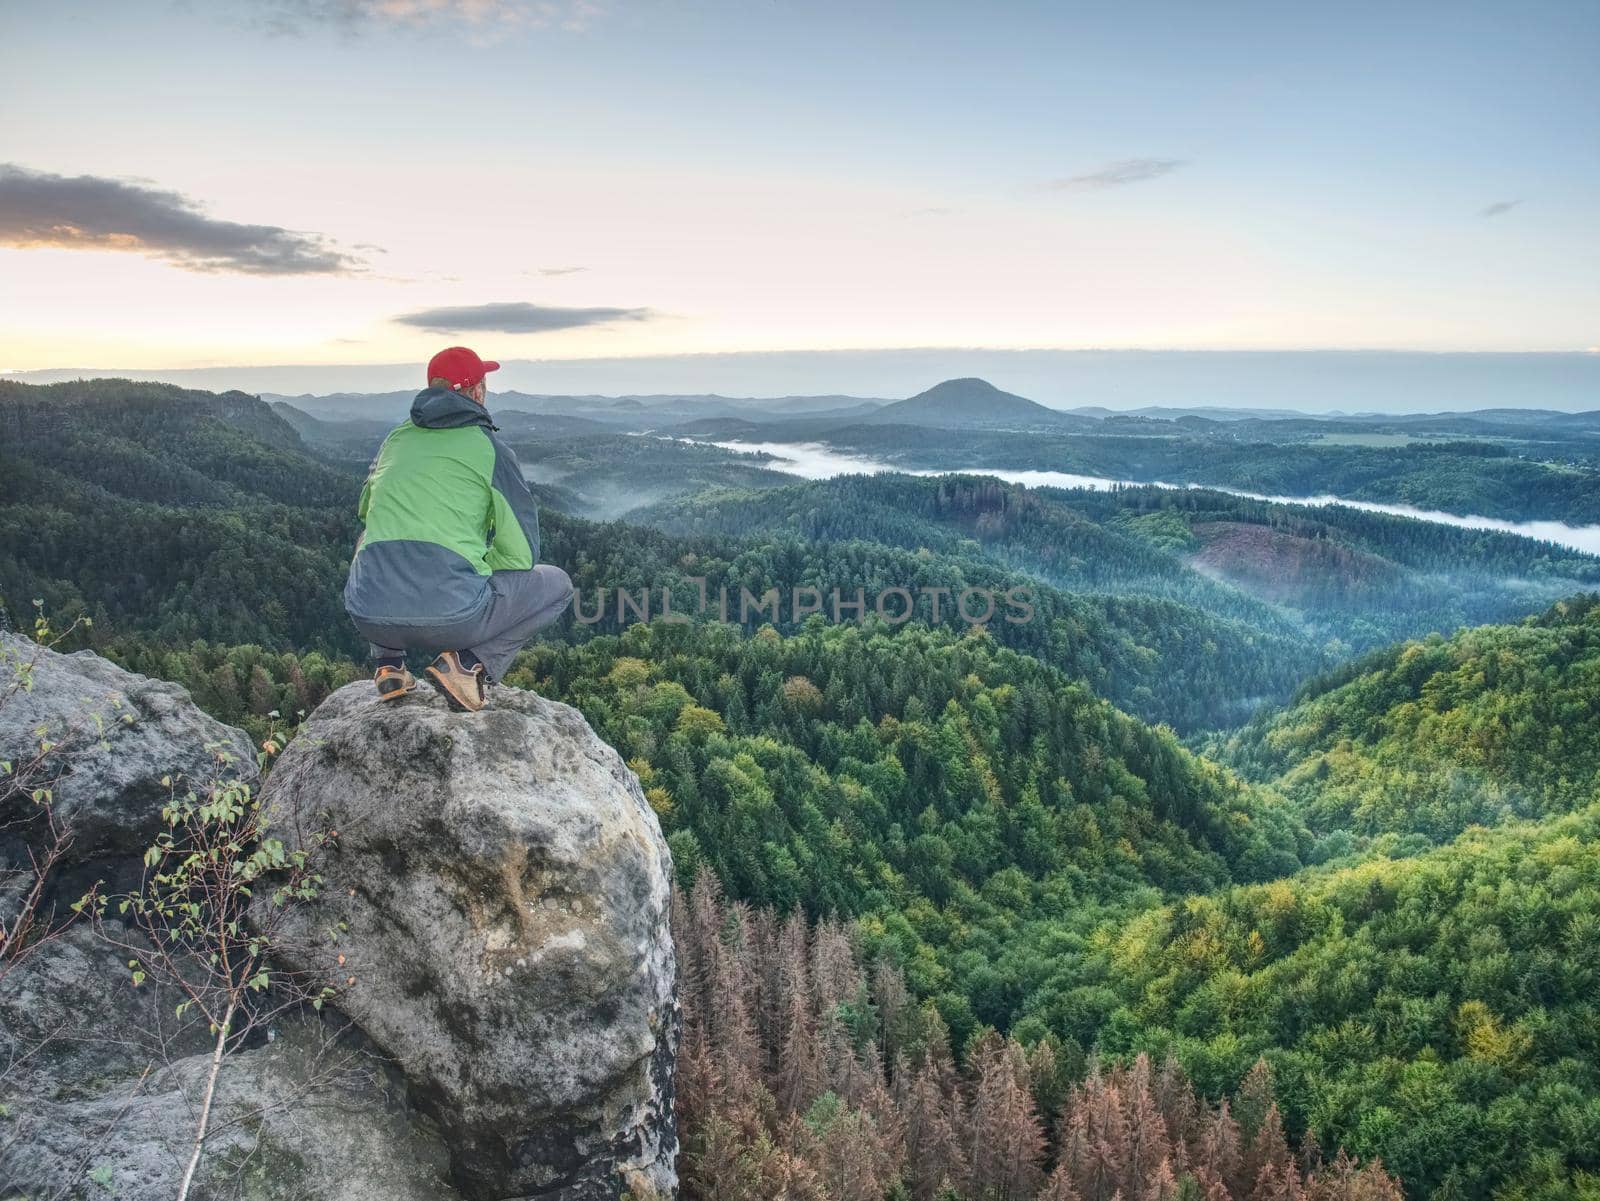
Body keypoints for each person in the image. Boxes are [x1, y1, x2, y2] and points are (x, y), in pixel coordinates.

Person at [343, 346, 573, 712]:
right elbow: (522, 555)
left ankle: (389, 665)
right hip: (454, 618)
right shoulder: (490, 449)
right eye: (484, 383)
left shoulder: (395, 440)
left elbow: (365, 510)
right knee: (558, 584)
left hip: (367, 613)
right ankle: (466, 666)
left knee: (370, 538)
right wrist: (476, 565)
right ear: (477, 392)